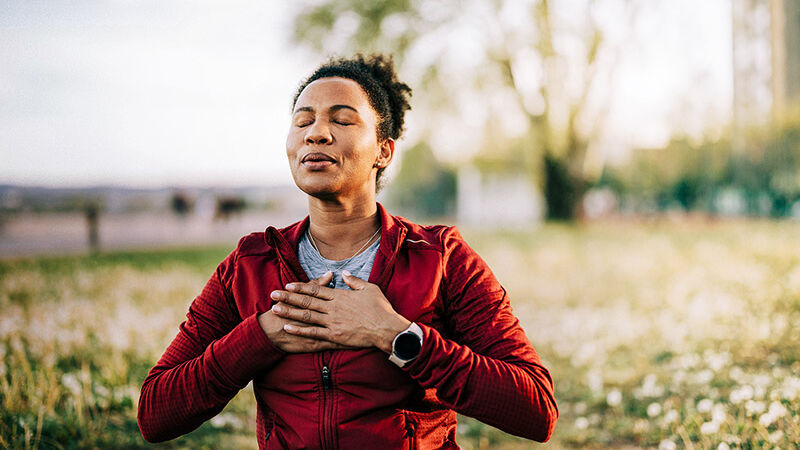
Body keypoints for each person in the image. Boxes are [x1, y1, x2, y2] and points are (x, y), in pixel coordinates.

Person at [137, 54, 558, 449]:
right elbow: (155, 415)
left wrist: (394, 335)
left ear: (383, 151)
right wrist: (260, 336)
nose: (316, 133)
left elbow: (536, 409)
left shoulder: (440, 258)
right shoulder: (249, 264)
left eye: (341, 119)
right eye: (303, 121)